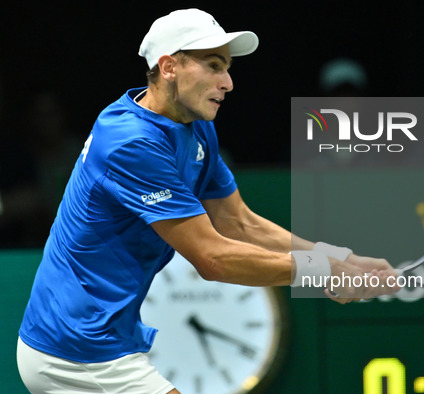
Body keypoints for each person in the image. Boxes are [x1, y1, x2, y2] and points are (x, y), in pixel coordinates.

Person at [16, 8, 398, 394]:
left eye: (228, 68)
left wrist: (339, 258)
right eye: (214, 66)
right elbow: (212, 257)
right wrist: (323, 272)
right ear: (168, 67)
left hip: (97, 338)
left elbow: (239, 223)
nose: (228, 82)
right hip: (76, 350)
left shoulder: (196, 128)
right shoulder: (131, 142)